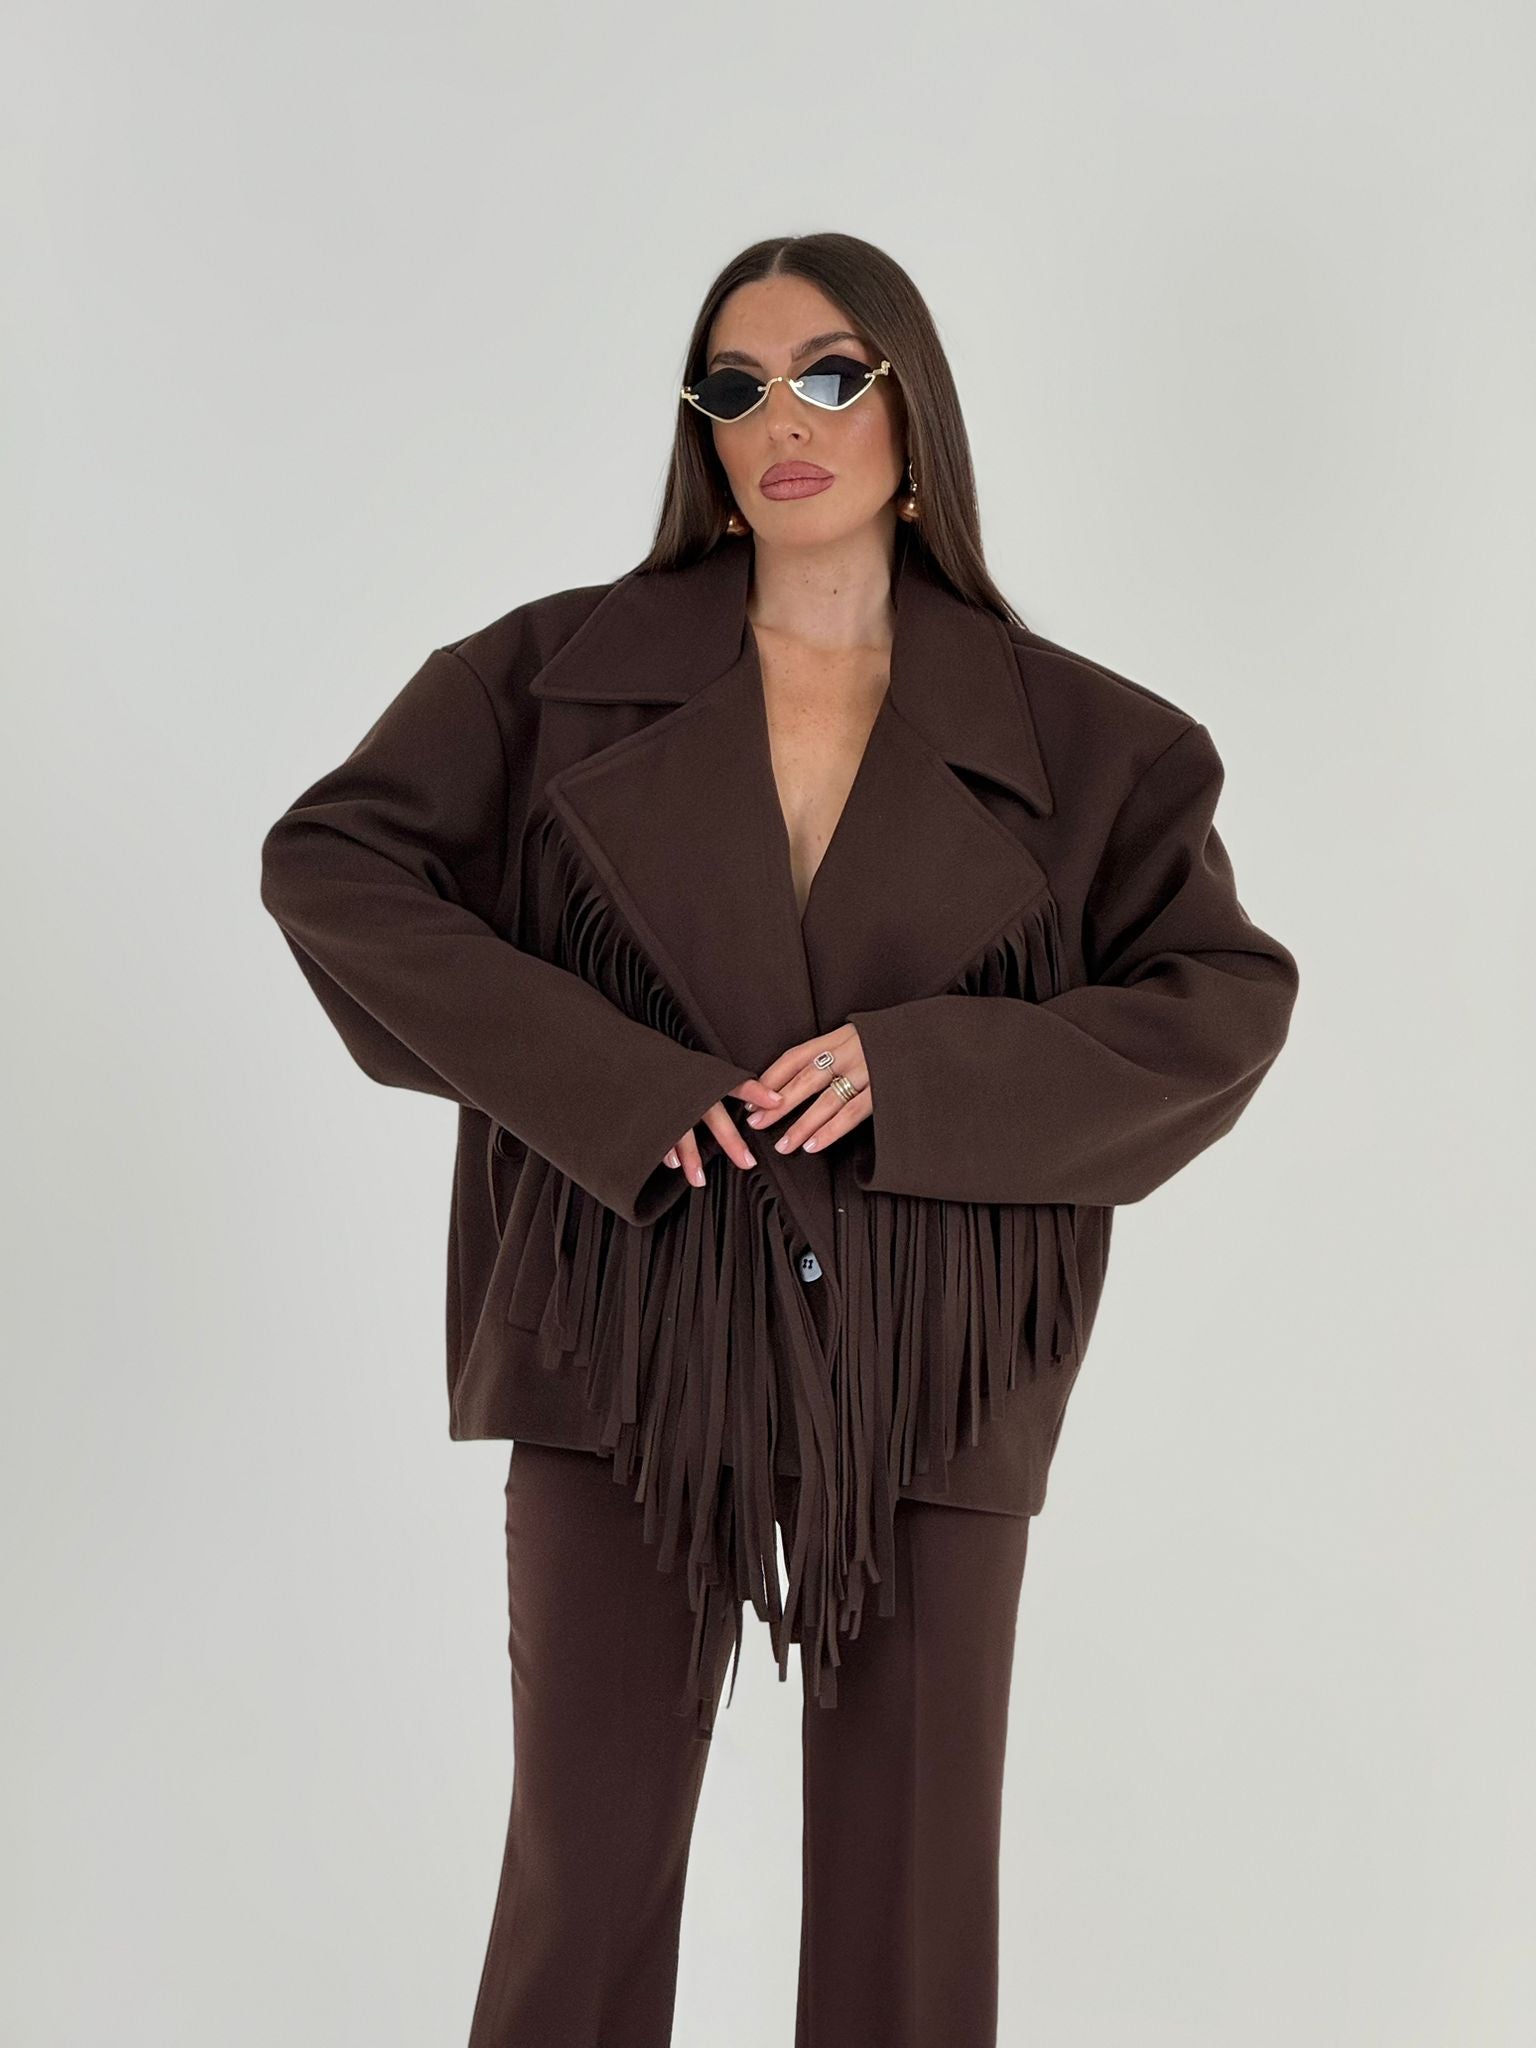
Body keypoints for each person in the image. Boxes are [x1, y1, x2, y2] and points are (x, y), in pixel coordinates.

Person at [259, 231, 1300, 2048]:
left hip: (935, 1357)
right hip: (622, 1327)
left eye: (829, 374)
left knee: (912, 1906)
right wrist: (610, 1084)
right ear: (704, 433)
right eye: (735, 388)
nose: (783, 422)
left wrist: (927, 1070)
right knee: (583, 1881)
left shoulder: (1096, 744)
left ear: (911, 405)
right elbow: (335, 868)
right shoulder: (545, 680)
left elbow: (1219, 999)